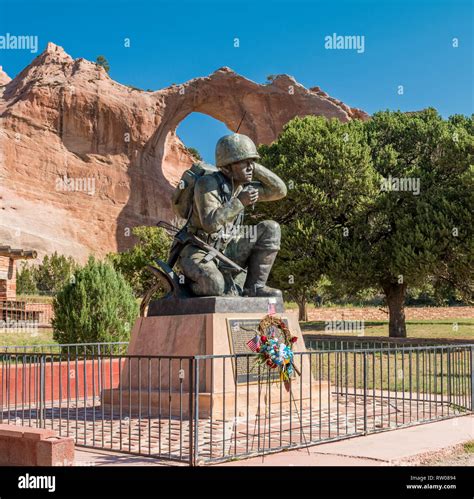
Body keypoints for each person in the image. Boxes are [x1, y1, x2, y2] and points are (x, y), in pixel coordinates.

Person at [177, 133, 287, 297]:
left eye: (252, 162)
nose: (250, 168)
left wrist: (253, 165)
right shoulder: (207, 184)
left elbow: (279, 191)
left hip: (227, 249)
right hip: (198, 249)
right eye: (245, 163)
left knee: (271, 228)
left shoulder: (243, 186)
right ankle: (187, 290)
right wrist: (239, 202)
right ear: (227, 166)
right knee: (214, 286)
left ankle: (254, 288)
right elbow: (210, 223)